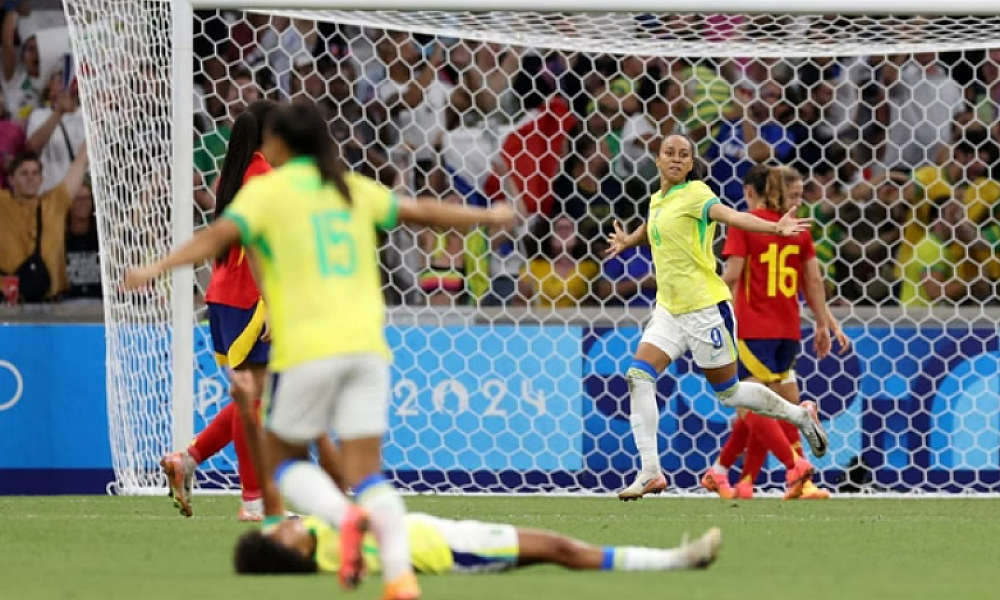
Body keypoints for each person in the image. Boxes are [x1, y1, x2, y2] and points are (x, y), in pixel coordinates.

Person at [125, 101, 516, 600]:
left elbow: (218, 236)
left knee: (277, 441)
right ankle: (395, 573)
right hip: (365, 345)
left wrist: (155, 268)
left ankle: (316, 511)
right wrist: (489, 216)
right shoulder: (350, 188)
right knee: (361, 470)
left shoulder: (271, 189)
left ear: (280, 142)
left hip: (304, 340)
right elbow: (420, 212)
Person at [603, 134, 827, 502]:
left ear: (691, 164)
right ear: (658, 160)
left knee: (729, 393)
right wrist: (630, 240)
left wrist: (774, 227)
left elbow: (731, 215)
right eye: (669, 153)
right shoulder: (658, 200)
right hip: (669, 310)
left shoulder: (696, 194)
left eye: (683, 154)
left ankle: (799, 417)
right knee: (638, 376)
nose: (676, 159)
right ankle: (650, 471)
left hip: (704, 308)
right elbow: (653, 225)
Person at [160, 99, 279, 522]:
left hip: (224, 294)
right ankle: (253, 501)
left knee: (254, 395)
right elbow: (260, 242)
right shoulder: (263, 175)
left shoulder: (235, 173)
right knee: (255, 400)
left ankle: (187, 460)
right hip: (251, 298)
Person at [703, 165, 849, 501]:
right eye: (794, 195)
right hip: (788, 330)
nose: (797, 202)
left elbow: (733, 274)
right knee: (784, 407)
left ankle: (792, 467)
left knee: (753, 408)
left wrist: (699, 300)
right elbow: (813, 281)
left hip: (753, 329)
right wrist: (823, 323)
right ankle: (740, 476)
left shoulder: (746, 224)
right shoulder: (799, 231)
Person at [233, 512, 722, 576]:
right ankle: (677, 560)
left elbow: (276, 508)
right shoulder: (329, 552)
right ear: (293, 552)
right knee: (561, 549)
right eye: (279, 534)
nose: (282, 525)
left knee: (559, 548)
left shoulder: (311, 533)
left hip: (443, 531)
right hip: (453, 550)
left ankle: (677, 558)